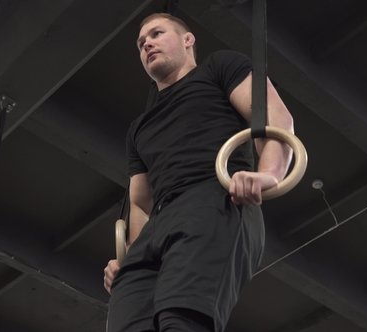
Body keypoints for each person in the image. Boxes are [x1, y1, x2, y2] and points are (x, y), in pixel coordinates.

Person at [103, 13, 294, 332]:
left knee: (180, 322)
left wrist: (269, 175)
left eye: (156, 33)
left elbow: (275, 120)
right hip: (159, 223)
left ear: (187, 40)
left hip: (214, 200)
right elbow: (139, 202)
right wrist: (129, 258)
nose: (147, 43)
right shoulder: (138, 130)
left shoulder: (219, 67)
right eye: (140, 43)